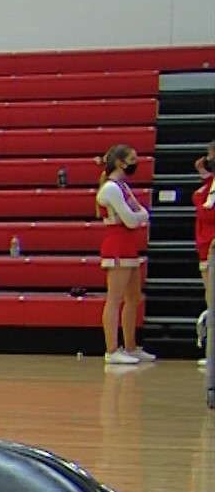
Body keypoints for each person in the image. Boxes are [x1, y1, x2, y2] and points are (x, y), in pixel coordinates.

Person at [95, 144, 153, 366]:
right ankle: (111, 350)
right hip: (117, 245)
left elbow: (143, 213)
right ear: (120, 162)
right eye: (132, 159)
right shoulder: (110, 188)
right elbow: (132, 219)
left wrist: (138, 217)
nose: (135, 163)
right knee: (115, 298)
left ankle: (130, 346)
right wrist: (138, 217)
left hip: (129, 245)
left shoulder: (123, 186)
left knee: (134, 298)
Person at [192, 142, 214, 367]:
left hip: (211, 245)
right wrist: (205, 176)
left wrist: (198, 198)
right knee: (211, 299)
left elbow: (209, 213)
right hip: (206, 245)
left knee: (213, 299)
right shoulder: (211, 184)